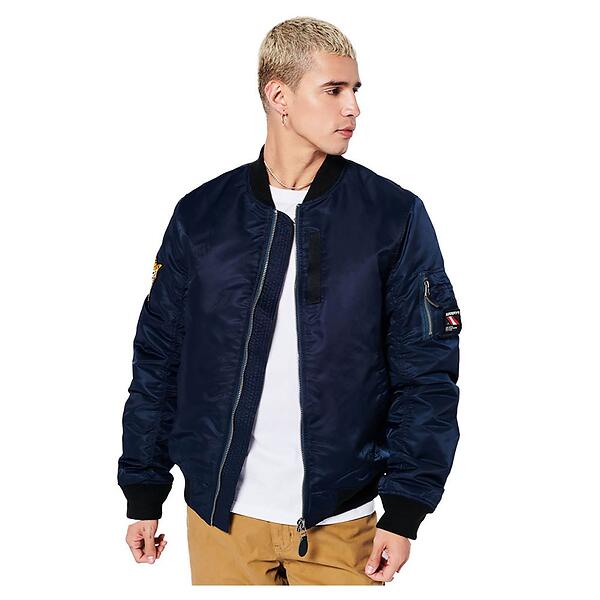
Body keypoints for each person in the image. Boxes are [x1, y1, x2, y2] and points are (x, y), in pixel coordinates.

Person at [117, 16, 462, 585]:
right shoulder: (202, 216)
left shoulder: (392, 216)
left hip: (344, 526)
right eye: (334, 90)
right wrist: (144, 490)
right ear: (279, 96)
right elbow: (158, 360)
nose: (353, 108)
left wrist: (406, 509)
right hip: (221, 523)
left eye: (355, 90)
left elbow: (426, 373)